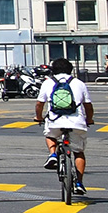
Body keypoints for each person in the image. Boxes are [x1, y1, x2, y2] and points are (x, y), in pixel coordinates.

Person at [36, 57, 95, 194]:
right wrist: (89, 119)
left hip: (55, 120)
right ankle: (79, 182)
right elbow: (88, 106)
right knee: (79, 152)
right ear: (70, 70)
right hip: (76, 122)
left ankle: (52, 155)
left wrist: (38, 117)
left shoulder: (48, 83)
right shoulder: (79, 83)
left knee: (50, 134)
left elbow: (40, 104)